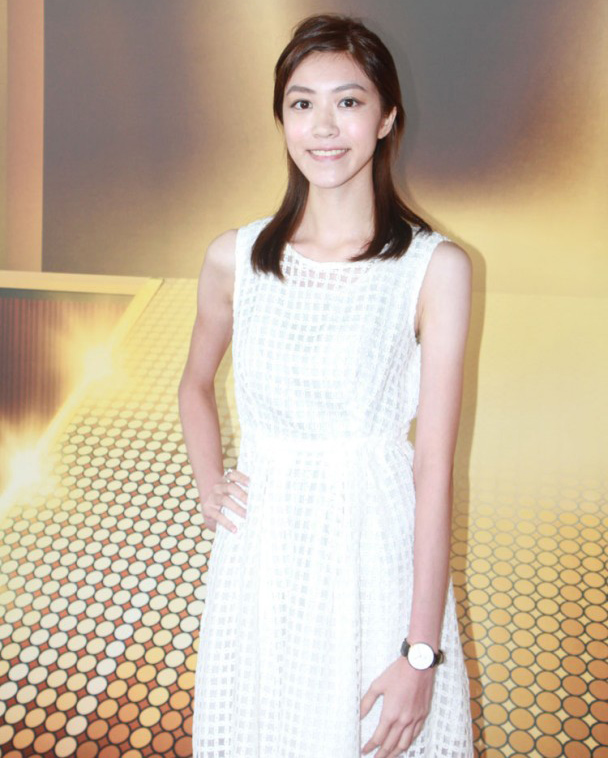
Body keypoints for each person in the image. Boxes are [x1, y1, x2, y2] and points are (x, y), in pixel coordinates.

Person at [178, 12, 474, 758]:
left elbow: (434, 466)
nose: (324, 126)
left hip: (377, 560)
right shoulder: (235, 258)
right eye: (302, 103)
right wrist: (211, 483)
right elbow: (194, 383)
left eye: (348, 101)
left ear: (387, 117)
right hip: (263, 564)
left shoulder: (434, 269)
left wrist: (420, 652)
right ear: (281, 119)